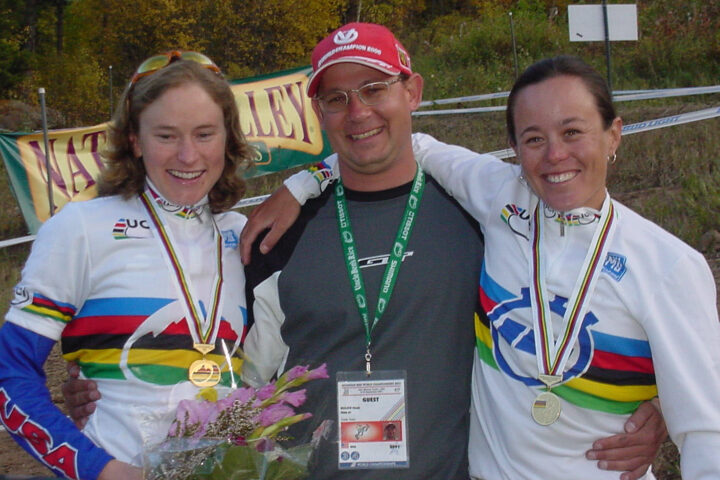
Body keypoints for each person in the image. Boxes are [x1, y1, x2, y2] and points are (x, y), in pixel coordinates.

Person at [64, 26, 665, 479]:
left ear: (413, 91)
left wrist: (653, 400)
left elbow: (595, 299)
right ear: (319, 112)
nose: (358, 113)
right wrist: (102, 376)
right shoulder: (273, 235)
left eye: (375, 89)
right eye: (336, 99)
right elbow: (222, 365)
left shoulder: (488, 217)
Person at [254, 52, 720, 478]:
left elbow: (707, 435)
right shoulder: (500, 198)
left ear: (614, 133)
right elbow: (405, 141)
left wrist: (660, 404)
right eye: (534, 138)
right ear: (514, 150)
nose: (555, 155)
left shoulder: (668, 265)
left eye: (573, 131)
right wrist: (305, 182)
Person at [0, 51, 256, 479]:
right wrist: (100, 469)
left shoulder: (245, 235)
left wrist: (307, 182)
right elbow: (10, 373)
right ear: (135, 140)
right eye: (166, 136)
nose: (189, 156)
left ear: (228, 139)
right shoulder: (81, 228)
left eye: (205, 134)